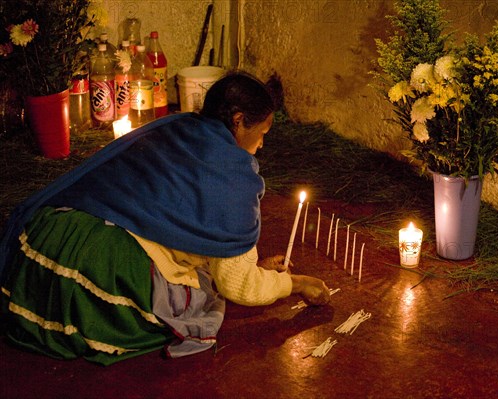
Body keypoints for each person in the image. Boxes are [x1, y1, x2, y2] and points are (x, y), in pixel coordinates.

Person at [0, 71, 331, 365]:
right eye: (261, 133)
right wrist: (294, 284)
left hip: (50, 236)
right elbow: (238, 286)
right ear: (239, 120)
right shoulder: (231, 182)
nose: (260, 145)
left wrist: (252, 267)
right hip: (95, 269)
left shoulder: (179, 127)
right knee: (198, 300)